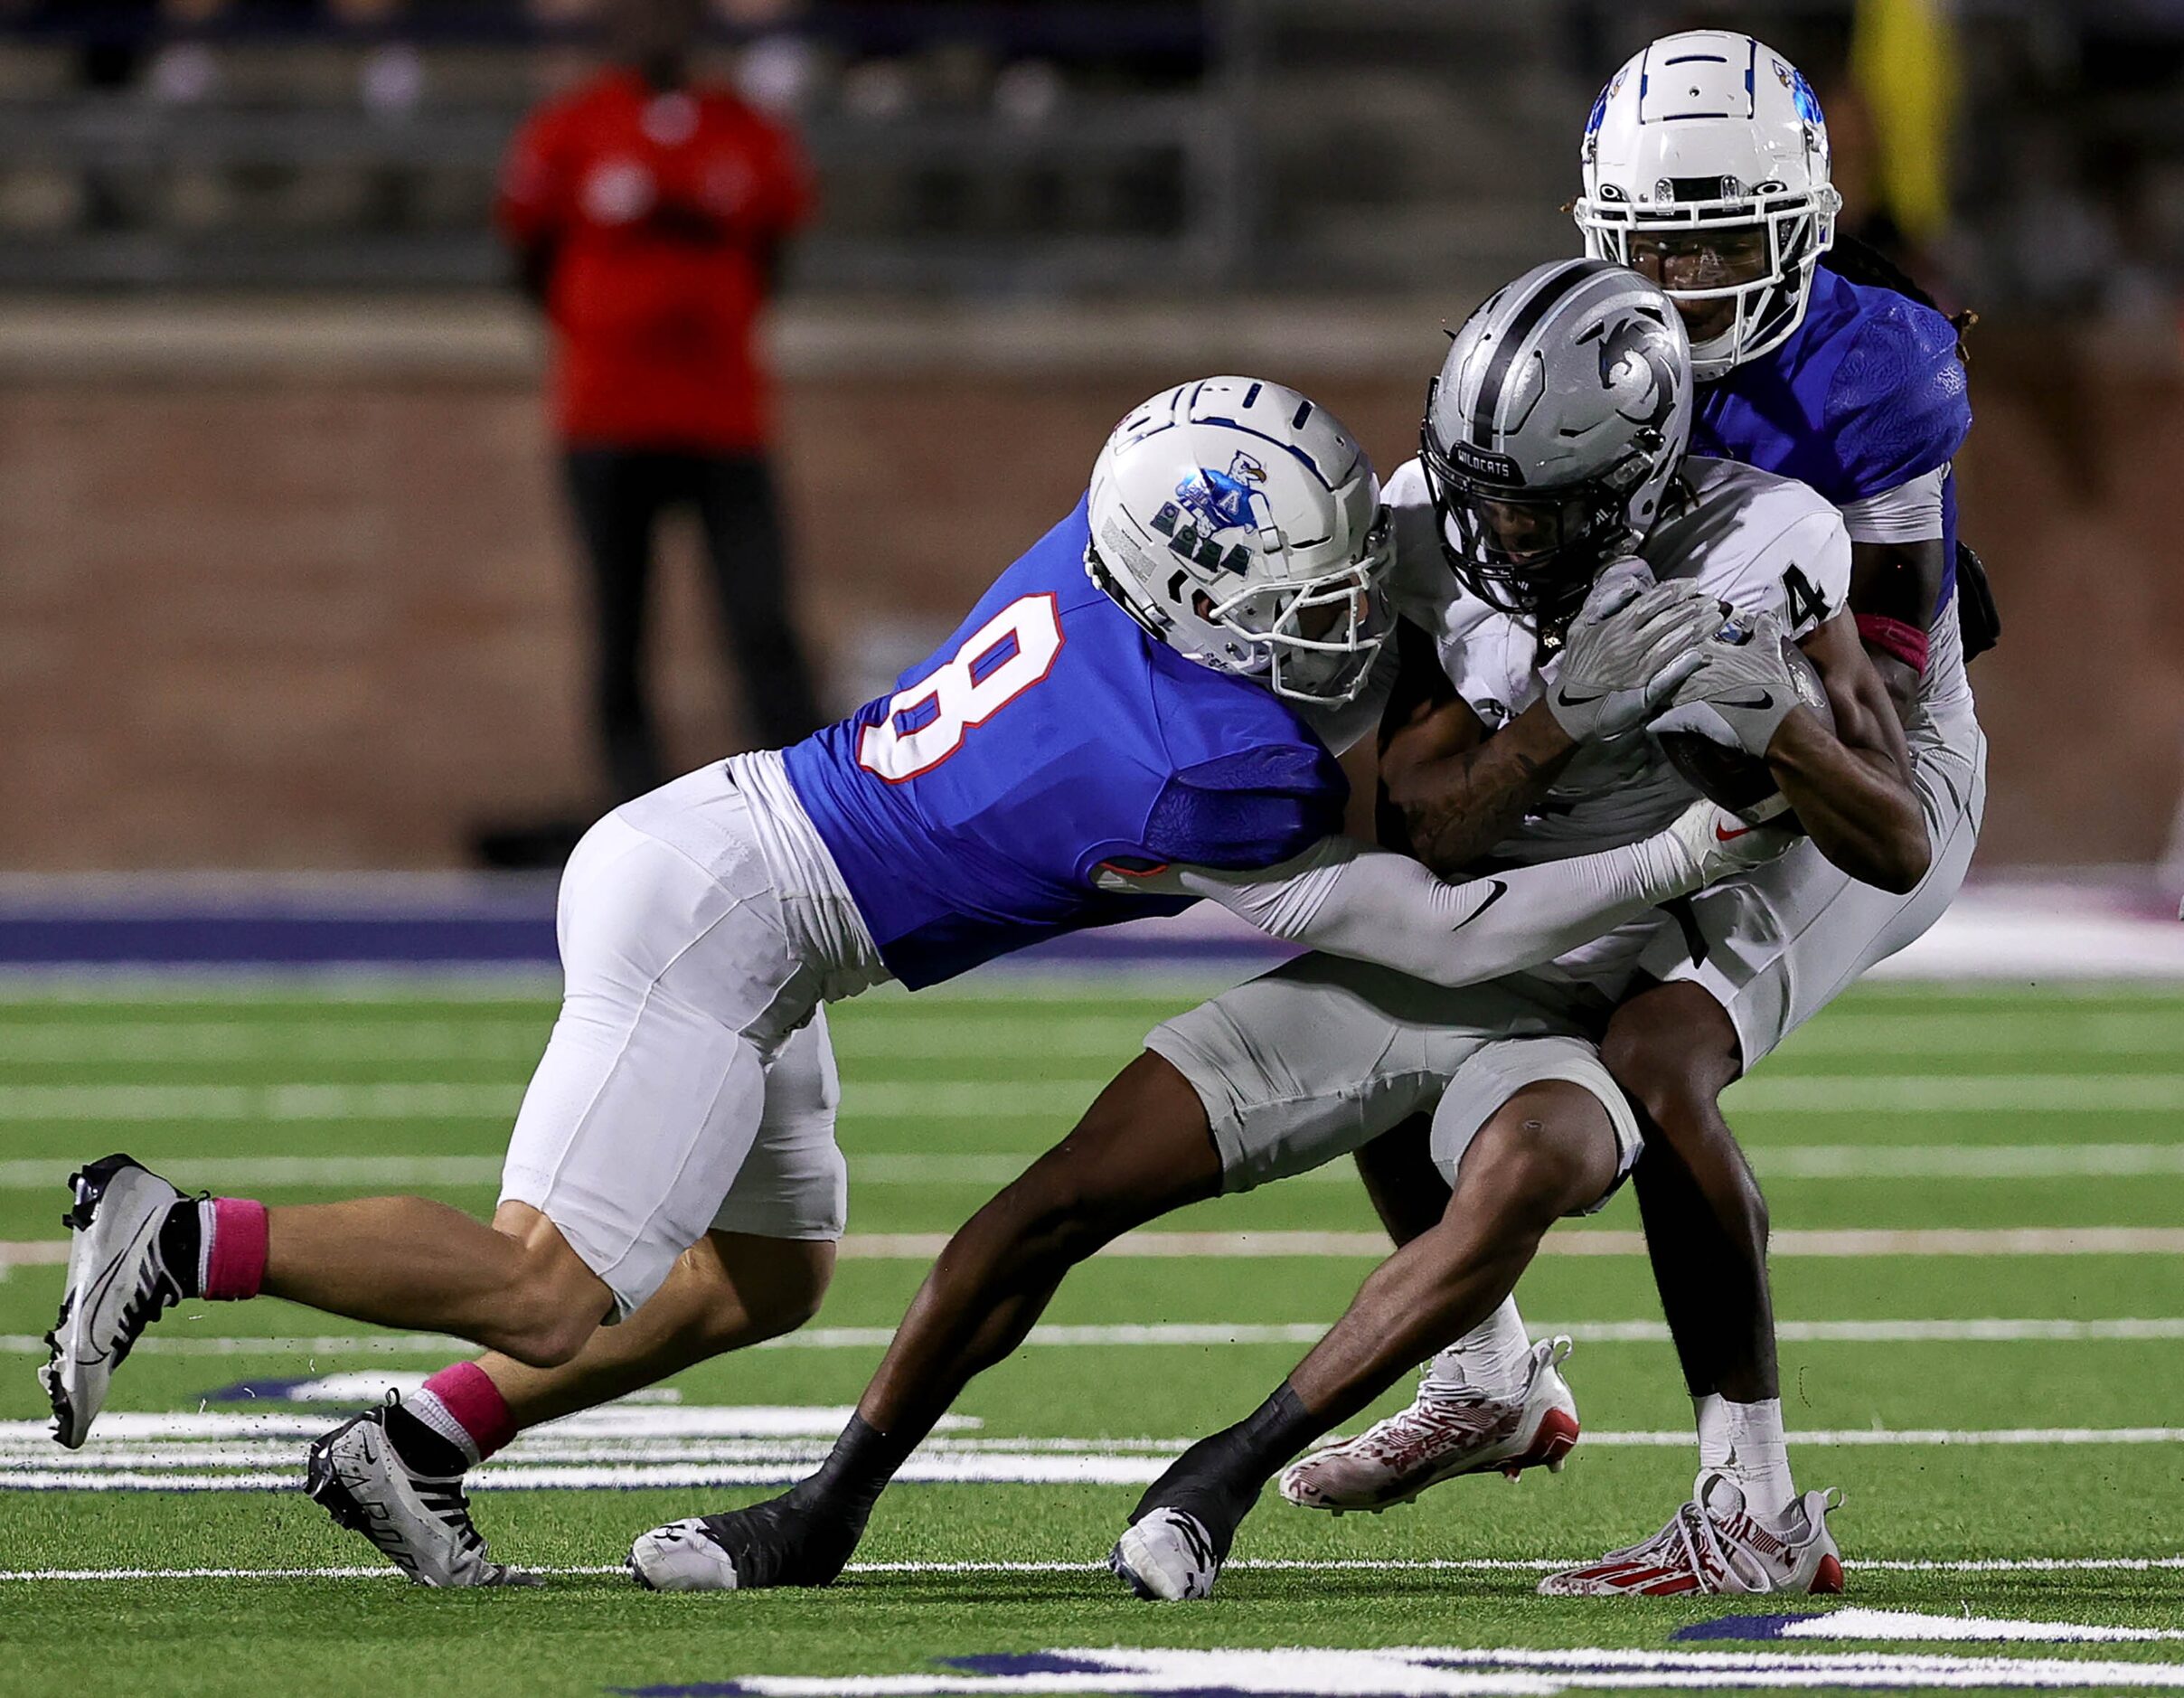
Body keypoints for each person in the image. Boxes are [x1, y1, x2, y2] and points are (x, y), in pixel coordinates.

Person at [43, 375, 1764, 1587]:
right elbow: (1449, 929)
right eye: (1287, 593)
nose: (1327, 615)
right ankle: (179, 1233)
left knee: (770, 1279)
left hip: (748, 875)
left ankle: (412, 1442)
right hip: (726, 922)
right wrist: (1690, 839)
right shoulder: (1182, 775)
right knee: (548, 1284)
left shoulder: (1104, 560)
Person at [617, 260, 1921, 1599]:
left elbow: (1896, 837)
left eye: (1525, 510)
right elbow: (1432, 836)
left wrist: (1776, 734)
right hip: (1453, 944)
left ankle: (1228, 1472)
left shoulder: (1771, 550)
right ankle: (824, 1509)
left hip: (1610, 968)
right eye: (1471, 485)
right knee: (1067, 1187)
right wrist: (1556, 730)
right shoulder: (1419, 541)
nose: (1486, 530)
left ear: (1631, 483)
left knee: (1541, 1155)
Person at [1284, 29, 1988, 1600]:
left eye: (1724, 236)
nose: (1684, 274)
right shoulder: (1573, 344)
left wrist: (1756, 713)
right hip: (1656, 728)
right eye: (1654, 237)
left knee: (1660, 1046)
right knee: (1398, 971)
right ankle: (1485, 1371)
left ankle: (1754, 1505)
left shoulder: (1876, 371)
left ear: (1803, 219)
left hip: (1851, 741)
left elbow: (1862, 721)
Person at [496, 0, 823, 807]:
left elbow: (773, 252)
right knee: (619, 628)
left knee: (761, 618)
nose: (656, 27)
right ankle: (631, 810)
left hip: (723, 418)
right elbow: (525, 257)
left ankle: (810, 812)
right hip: (607, 418)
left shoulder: (746, 130)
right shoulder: (569, 128)